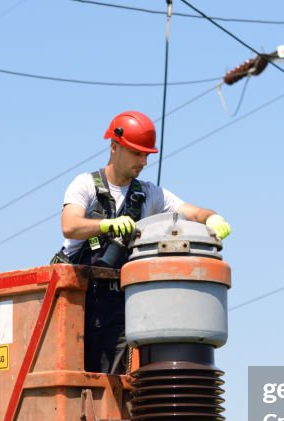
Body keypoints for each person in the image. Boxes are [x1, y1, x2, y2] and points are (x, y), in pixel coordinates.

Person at [51, 110, 232, 373]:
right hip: (78, 304)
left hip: (120, 308)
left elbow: (192, 212)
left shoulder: (149, 194)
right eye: (137, 153)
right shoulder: (86, 185)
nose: (143, 161)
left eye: (146, 154)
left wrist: (212, 218)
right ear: (114, 147)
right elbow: (70, 225)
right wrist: (104, 225)